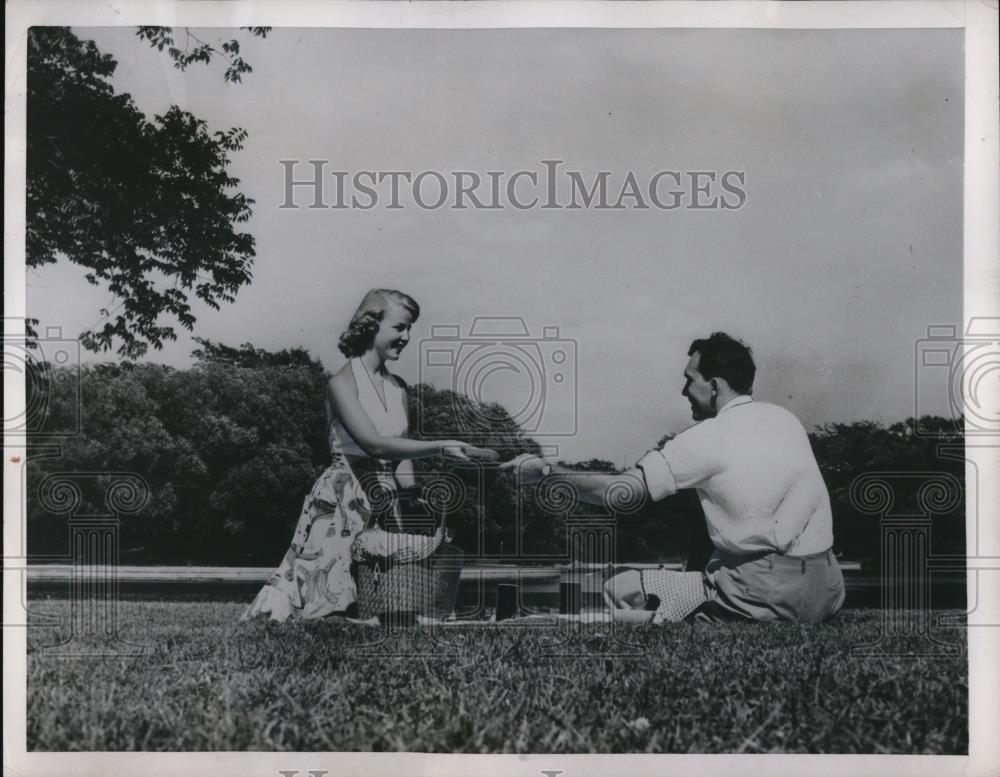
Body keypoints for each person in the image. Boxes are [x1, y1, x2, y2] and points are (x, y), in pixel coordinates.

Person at [502, 332, 845, 624]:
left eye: (689, 380)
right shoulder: (785, 420)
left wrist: (544, 473)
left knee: (618, 586)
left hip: (762, 596)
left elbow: (623, 493)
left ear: (714, 386)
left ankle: (667, 621)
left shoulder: (707, 436)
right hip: (827, 592)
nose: (683, 391)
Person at [243, 289, 489, 621]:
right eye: (400, 327)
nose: (407, 337)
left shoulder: (398, 387)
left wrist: (413, 498)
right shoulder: (341, 383)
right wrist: (442, 445)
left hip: (387, 501)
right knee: (329, 605)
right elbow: (373, 445)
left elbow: (400, 452)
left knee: (392, 602)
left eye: (410, 329)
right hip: (343, 499)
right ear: (372, 325)